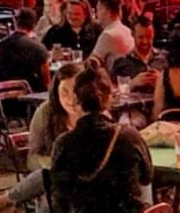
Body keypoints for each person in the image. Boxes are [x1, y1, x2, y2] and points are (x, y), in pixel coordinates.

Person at [0, 65, 85, 213]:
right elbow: (32, 158)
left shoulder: (92, 114)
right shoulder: (46, 113)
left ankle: (5, 201)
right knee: (50, 178)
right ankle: (6, 201)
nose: (70, 99)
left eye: (75, 92)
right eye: (64, 92)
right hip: (54, 178)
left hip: (86, 177)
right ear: (56, 92)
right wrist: (56, 165)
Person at [48, 61, 153, 213]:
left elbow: (59, 196)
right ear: (109, 97)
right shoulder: (129, 136)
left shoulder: (63, 143)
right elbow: (146, 177)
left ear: (76, 99)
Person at [0, 8, 50, 93]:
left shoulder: (0, 45)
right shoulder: (38, 48)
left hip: (3, 96)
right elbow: (46, 81)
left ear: (15, 22)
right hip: (30, 97)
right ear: (34, 25)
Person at [112, 16, 168, 91]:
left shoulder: (165, 59)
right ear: (133, 35)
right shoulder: (122, 62)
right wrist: (132, 83)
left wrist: (162, 81)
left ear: (153, 35)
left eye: (148, 37)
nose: (145, 41)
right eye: (141, 37)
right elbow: (113, 93)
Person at [90, 0, 135, 71]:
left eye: (98, 9)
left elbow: (91, 63)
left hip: (114, 78)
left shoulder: (108, 35)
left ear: (106, 11)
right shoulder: (127, 30)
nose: (96, 14)